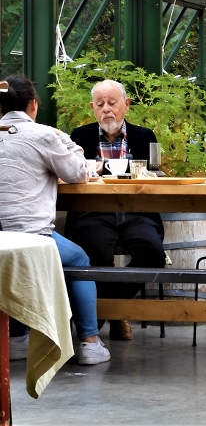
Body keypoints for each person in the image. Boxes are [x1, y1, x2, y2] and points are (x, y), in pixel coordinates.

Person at [0, 74, 110, 365]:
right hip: (31, 236)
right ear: (33, 105)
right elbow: (78, 173)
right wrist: (66, 140)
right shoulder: (44, 135)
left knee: (13, 263)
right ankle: (89, 342)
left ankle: (17, 338)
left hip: (1, 239)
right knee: (79, 259)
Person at [66, 79, 166, 341]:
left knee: (152, 253)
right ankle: (112, 317)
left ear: (126, 104)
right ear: (92, 108)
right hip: (94, 211)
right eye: (100, 104)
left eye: (112, 103)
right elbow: (72, 173)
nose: (106, 109)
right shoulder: (79, 136)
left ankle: (112, 309)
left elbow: (155, 173)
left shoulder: (144, 136)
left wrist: (105, 169)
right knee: (94, 251)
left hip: (136, 212)